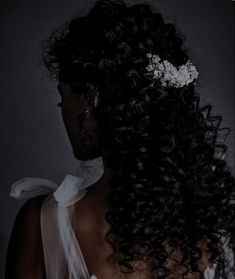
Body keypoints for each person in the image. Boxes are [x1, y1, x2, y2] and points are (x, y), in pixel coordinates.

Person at [5, 0, 235, 278]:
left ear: (93, 99)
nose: (62, 109)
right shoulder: (216, 230)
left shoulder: (44, 224)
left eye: (62, 97)